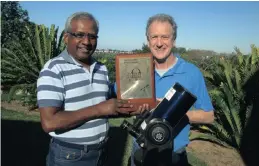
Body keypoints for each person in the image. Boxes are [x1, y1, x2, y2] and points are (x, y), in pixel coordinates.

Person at [37, 12, 145, 166]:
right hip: (69, 155)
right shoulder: (54, 69)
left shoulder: (101, 69)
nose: (86, 41)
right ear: (66, 37)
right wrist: (100, 109)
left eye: (92, 36)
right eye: (80, 35)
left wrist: (131, 109)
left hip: (101, 151)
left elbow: (105, 109)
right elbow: (49, 122)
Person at [130, 13, 215, 166]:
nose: (159, 43)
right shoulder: (138, 70)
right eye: (154, 37)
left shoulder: (191, 73)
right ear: (147, 40)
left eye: (165, 37)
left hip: (174, 154)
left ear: (173, 41)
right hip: (140, 149)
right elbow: (120, 100)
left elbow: (209, 116)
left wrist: (169, 110)